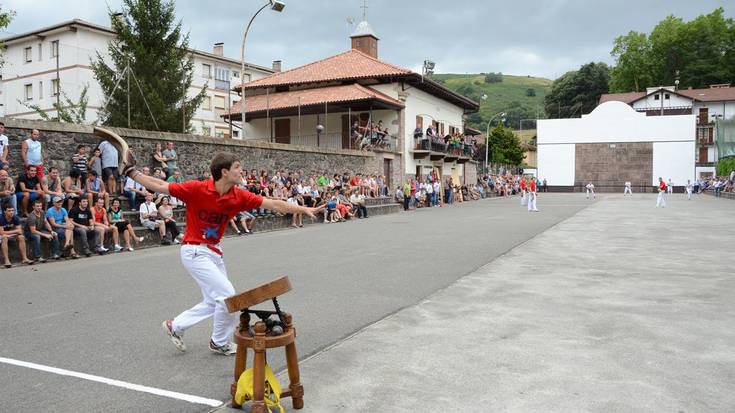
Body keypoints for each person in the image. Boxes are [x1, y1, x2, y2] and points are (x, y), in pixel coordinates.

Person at [125, 151, 322, 355]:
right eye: (237, 167)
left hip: (214, 252)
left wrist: (303, 209)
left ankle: (175, 326)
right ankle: (219, 342)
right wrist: (132, 172)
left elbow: (272, 203)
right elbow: (159, 186)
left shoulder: (238, 195)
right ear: (225, 172)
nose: (241, 170)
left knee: (214, 301)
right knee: (227, 297)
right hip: (194, 251)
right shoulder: (197, 188)